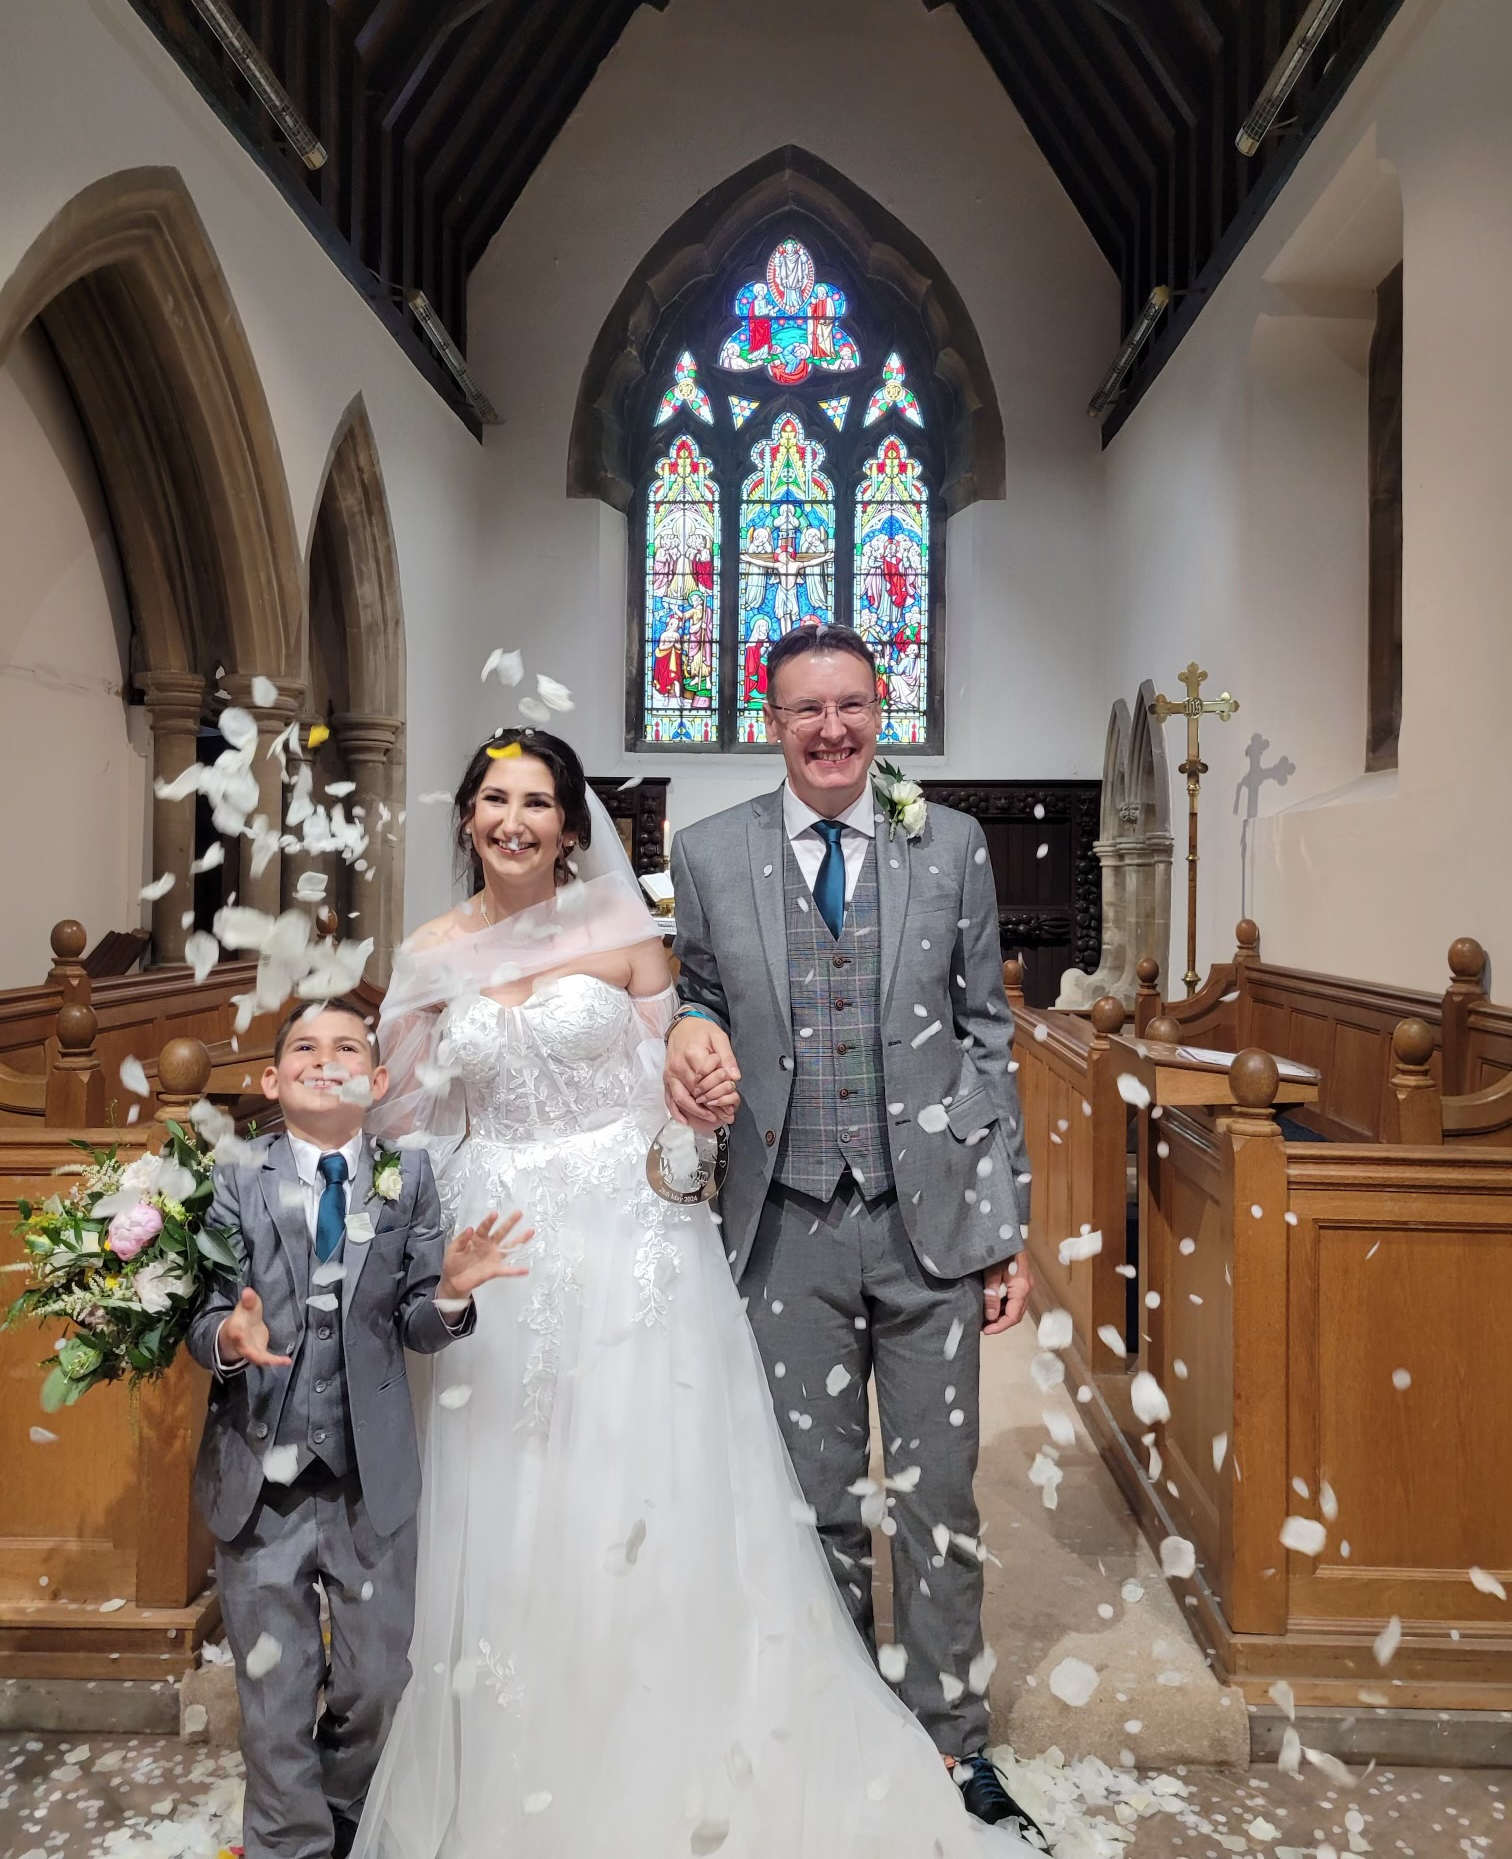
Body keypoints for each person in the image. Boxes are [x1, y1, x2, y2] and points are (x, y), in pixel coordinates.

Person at [351, 729, 1041, 1858]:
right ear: (467, 817)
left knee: (651, 1485)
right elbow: (404, 1120)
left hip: (628, 1242)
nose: (513, 818)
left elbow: (680, 1075)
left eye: (536, 800)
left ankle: (897, 1732)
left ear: (573, 825)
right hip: (500, 1257)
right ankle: (522, 1746)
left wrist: (693, 1115)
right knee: (512, 1504)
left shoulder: (624, 935)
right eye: (492, 799)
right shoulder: (429, 954)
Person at [665, 620, 1040, 1837]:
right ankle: (829, 1729)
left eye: (852, 706)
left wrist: (1004, 1227)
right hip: (782, 1225)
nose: (831, 730)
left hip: (929, 1223)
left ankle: (951, 1746)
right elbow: (698, 997)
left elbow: (986, 1038)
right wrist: (686, 1032)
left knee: (940, 1499)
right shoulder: (710, 853)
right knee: (811, 1498)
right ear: (768, 723)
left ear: (884, 712)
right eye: (804, 710)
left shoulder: (955, 848)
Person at [187, 998, 530, 1859]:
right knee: (273, 1692)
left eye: (347, 1047)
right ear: (272, 1079)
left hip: (367, 1479)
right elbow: (204, 1311)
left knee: (377, 1682)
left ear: (377, 1082)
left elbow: (415, 1320)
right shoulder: (236, 1176)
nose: (324, 1058)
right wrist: (230, 1336)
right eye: (304, 1046)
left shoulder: (406, 1177)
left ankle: (344, 1815)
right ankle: (287, 1844)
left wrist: (449, 1293)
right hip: (257, 1480)